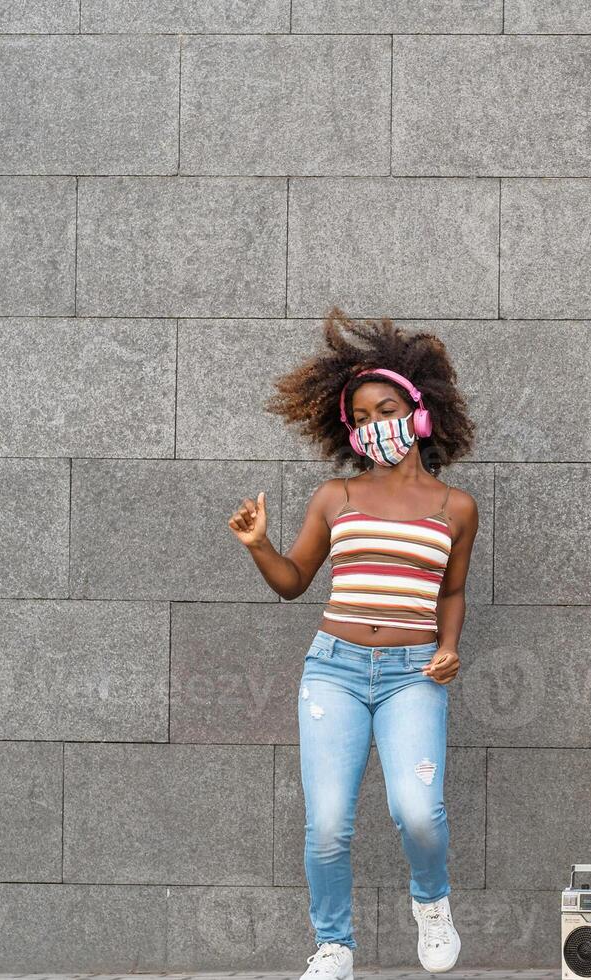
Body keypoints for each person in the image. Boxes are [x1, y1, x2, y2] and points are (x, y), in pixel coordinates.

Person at [228, 308, 480, 980]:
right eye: (361, 417)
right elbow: (293, 583)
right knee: (329, 823)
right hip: (333, 670)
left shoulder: (456, 508)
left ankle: (431, 906)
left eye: (387, 409)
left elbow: (450, 591)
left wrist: (448, 645)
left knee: (417, 813)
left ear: (419, 414)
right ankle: (334, 946)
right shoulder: (335, 496)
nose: (374, 425)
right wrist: (260, 548)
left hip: (412, 675)